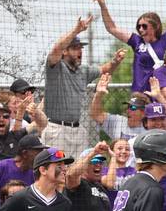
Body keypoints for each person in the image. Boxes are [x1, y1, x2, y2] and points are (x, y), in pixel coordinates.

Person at [43, 15, 126, 159]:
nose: (80, 51)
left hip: (77, 129)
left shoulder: (83, 70)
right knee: (56, 171)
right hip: (57, 129)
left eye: (80, 48)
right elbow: (56, 49)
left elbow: (104, 69)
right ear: (65, 51)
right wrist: (76, 30)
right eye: (75, 48)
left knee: (77, 173)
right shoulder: (56, 67)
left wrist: (115, 61)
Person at [93, 0, 166, 92]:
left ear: (156, 26)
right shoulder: (137, 41)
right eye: (138, 26)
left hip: (163, 95)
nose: (140, 29)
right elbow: (111, 28)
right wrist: (103, 6)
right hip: (140, 96)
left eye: (144, 26)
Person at [125, 103, 166, 169]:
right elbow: (128, 170)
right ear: (145, 123)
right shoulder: (133, 143)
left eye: (162, 119)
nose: (159, 123)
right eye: (153, 119)